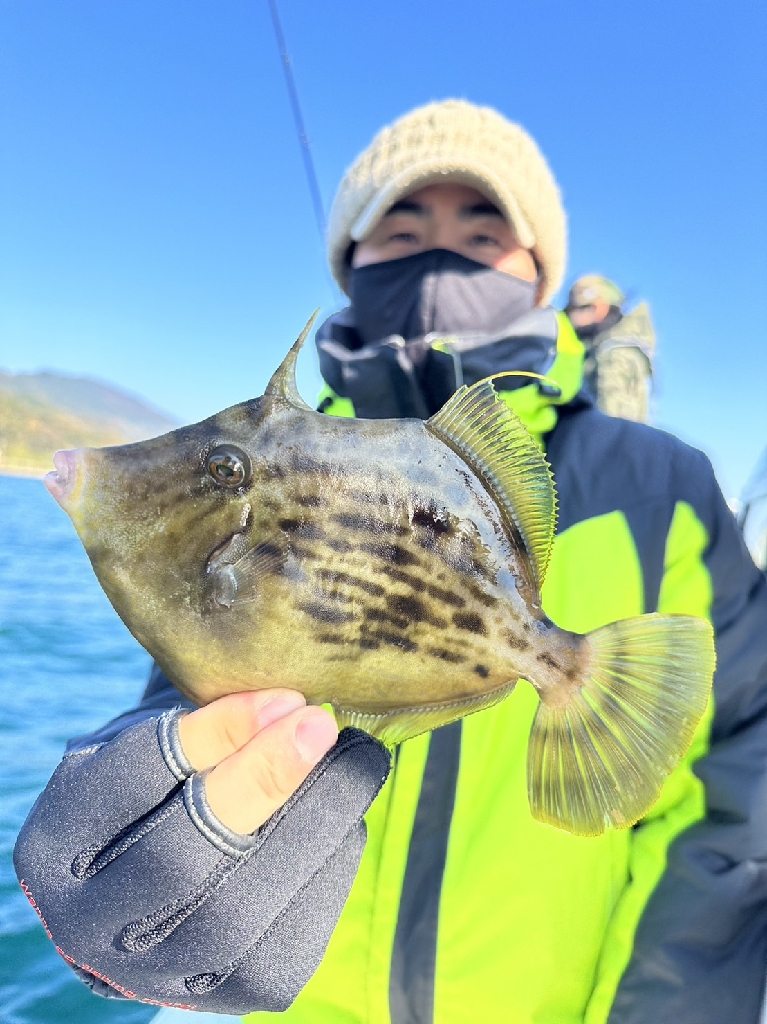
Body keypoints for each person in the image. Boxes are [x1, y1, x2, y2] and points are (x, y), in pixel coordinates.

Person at [14, 99, 767, 1024]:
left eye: (483, 229)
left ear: (541, 269)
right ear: (348, 262)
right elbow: (198, 699)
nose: (439, 253)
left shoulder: (661, 484)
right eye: (401, 226)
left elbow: (742, 787)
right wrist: (142, 842)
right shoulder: (289, 456)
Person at [564, 275, 656, 423]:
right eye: (571, 311)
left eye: (582, 309)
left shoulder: (615, 356)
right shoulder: (597, 351)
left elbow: (615, 432)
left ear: (603, 308)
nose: (573, 318)